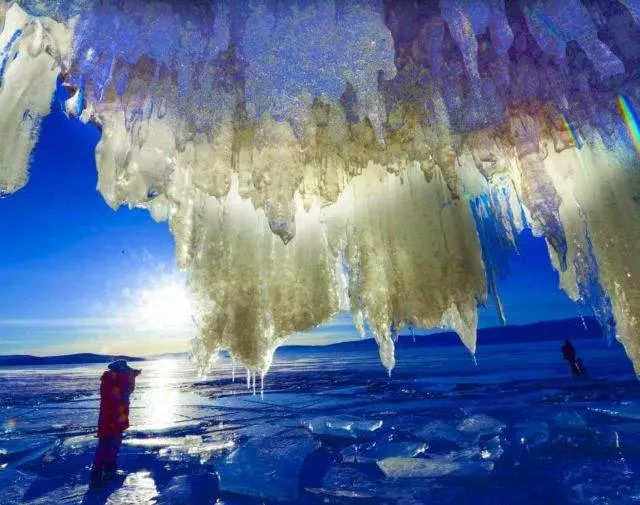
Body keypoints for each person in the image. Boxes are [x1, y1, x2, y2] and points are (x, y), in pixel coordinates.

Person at [90, 360, 141, 487]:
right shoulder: (110, 380)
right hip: (109, 420)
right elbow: (116, 397)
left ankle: (110, 471)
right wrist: (129, 377)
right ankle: (95, 478)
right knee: (105, 446)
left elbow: (126, 390)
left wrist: (132, 375)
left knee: (115, 445)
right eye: (126, 372)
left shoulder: (119, 379)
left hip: (117, 419)